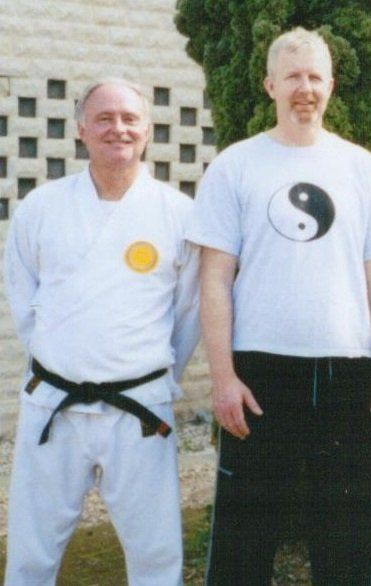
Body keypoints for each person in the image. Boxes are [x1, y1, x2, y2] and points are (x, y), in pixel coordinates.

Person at [190, 27, 371, 584]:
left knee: (345, 536)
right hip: (259, 375)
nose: (304, 89)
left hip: (347, 372)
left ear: (331, 85)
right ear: (269, 85)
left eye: (314, 77)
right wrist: (222, 378)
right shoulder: (236, 166)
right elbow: (214, 279)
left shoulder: (361, 168)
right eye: (293, 77)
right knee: (245, 537)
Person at [3, 78, 199, 585]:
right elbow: (25, 302)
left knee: (156, 556)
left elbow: (188, 313)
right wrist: (61, 356)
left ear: (147, 130)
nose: (119, 128)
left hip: (139, 407)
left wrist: (149, 370)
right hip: (54, 401)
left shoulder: (177, 212)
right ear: (81, 129)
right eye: (105, 118)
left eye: (130, 119)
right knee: (31, 553)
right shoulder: (41, 208)